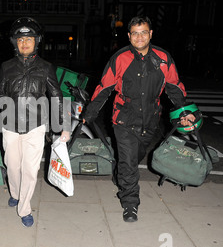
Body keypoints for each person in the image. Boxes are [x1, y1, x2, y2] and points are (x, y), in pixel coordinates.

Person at [82, 16, 195, 222]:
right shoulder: (120, 58)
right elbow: (104, 88)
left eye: (144, 32)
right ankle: (130, 204)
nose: (140, 37)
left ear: (151, 34)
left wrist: (183, 111)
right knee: (129, 162)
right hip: (123, 118)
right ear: (129, 36)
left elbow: (175, 87)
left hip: (150, 119)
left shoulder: (163, 58)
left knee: (135, 157)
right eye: (135, 33)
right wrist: (89, 113)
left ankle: (121, 176)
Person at [0, 17, 70, 227]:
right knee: (12, 166)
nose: (24, 43)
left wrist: (64, 125)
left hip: (35, 127)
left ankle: (24, 208)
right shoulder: (6, 67)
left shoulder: (46, 68)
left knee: (29, 170)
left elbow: (56, 97)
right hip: (9, 126)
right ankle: (15, 193)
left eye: (29, 39)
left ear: (37, 41)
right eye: (20, 39)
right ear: (15, 43)